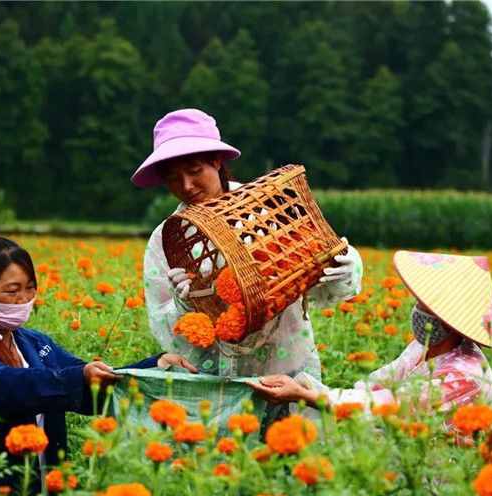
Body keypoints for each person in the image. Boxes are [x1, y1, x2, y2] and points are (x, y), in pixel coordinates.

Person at [0, 237, 196, 477]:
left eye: (30, 288)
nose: (23, 299)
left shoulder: (33, 342)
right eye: (12, 291)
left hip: (44, 493)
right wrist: (78, 377)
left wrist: (156, 365)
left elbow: (90, 384)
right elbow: (0, 385)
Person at [132, 108, 363, 382]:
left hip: (286, 364)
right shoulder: (164, 241)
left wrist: (346, 268)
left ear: (216, 161)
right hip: (214, 378)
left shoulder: (268, 211)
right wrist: (183, 306)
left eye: (195, 171)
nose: (187, 185)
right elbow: (163, 328)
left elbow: (316, 287)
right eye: (172, 178)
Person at [249, 251, 492, 415]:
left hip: (440, 484)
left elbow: (389, 405)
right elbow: (374, 387)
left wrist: (305, 395)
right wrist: (306, 386)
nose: (416, 309)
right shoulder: (422, 347)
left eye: (425, 305)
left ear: (451, 318)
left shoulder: (466, 375)